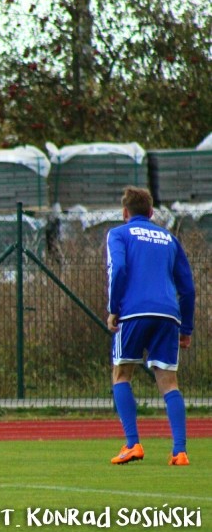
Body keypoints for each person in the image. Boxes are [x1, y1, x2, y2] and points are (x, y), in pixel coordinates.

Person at [106, 186, 195, 466]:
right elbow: (188, 288)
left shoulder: (118, 234)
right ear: (151, 212)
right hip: (169, 314)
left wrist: (113, 309)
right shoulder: (169, 238)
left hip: (133, 312)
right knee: (169, 382)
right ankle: (179, 451)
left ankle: (133, 444)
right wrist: (187, 328)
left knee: (121, 375)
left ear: (125, 212)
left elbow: (118, 268)